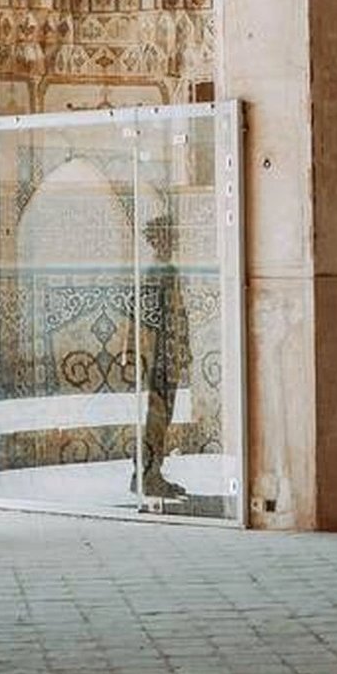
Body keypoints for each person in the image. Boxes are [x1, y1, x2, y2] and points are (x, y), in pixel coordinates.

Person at [130, 214, 191, 499]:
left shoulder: (164, 270)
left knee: (160, 416)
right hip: (161, 358)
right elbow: (155, 321)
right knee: (158, 416)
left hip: (166, 356)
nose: (173, 241)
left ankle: (148, 472)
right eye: (168, 236)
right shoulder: (160, 272)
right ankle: (148, 473)